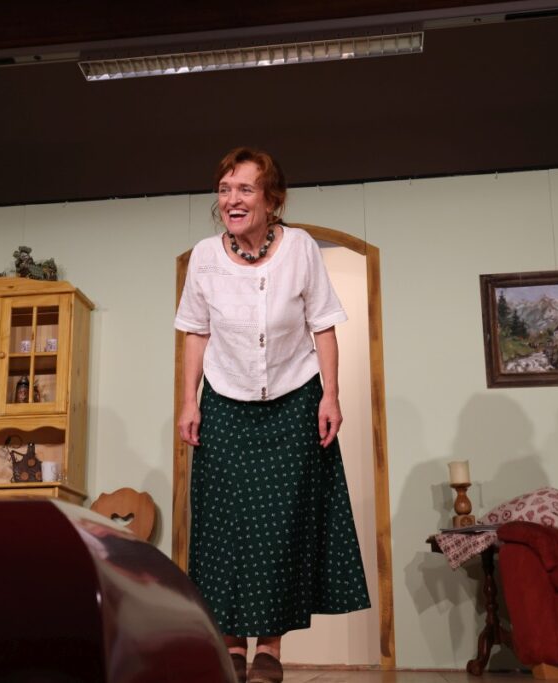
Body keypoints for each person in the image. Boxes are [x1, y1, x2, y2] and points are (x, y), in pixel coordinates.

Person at [175, 147, 370, 683]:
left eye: (245, 189)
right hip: (225, 402)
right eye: (224, 190)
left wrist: (331, 395)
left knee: (280, 528)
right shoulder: (204, 257)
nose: (231, 200)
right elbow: (196, 333)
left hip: (293, 400)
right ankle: (230, 646)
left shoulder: (300, 248)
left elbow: (323, 325)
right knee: (225, 526)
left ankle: (269, 650)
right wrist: (189, 400)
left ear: (271, 199)